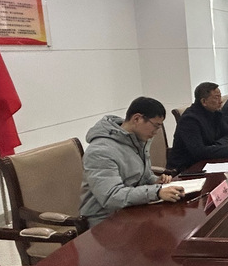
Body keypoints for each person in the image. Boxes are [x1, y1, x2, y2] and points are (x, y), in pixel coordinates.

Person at [79, 97, 185, 227]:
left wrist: (155, 181)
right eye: (156, 126)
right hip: (105, 221)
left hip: (134, 210)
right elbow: (111, 197)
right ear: (137, 119)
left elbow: (142, 176)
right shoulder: (100, 151)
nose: (156, 132)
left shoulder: (137, 140)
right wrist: (156, 192)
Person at [166, 82, 228, 172]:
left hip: (208, 161)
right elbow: (199, 152)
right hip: (186, 168)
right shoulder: (189, 119)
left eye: (220, 96)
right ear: (204, 101)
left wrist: (216, 146)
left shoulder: (216, 113)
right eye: (216, 97)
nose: (221, 101)